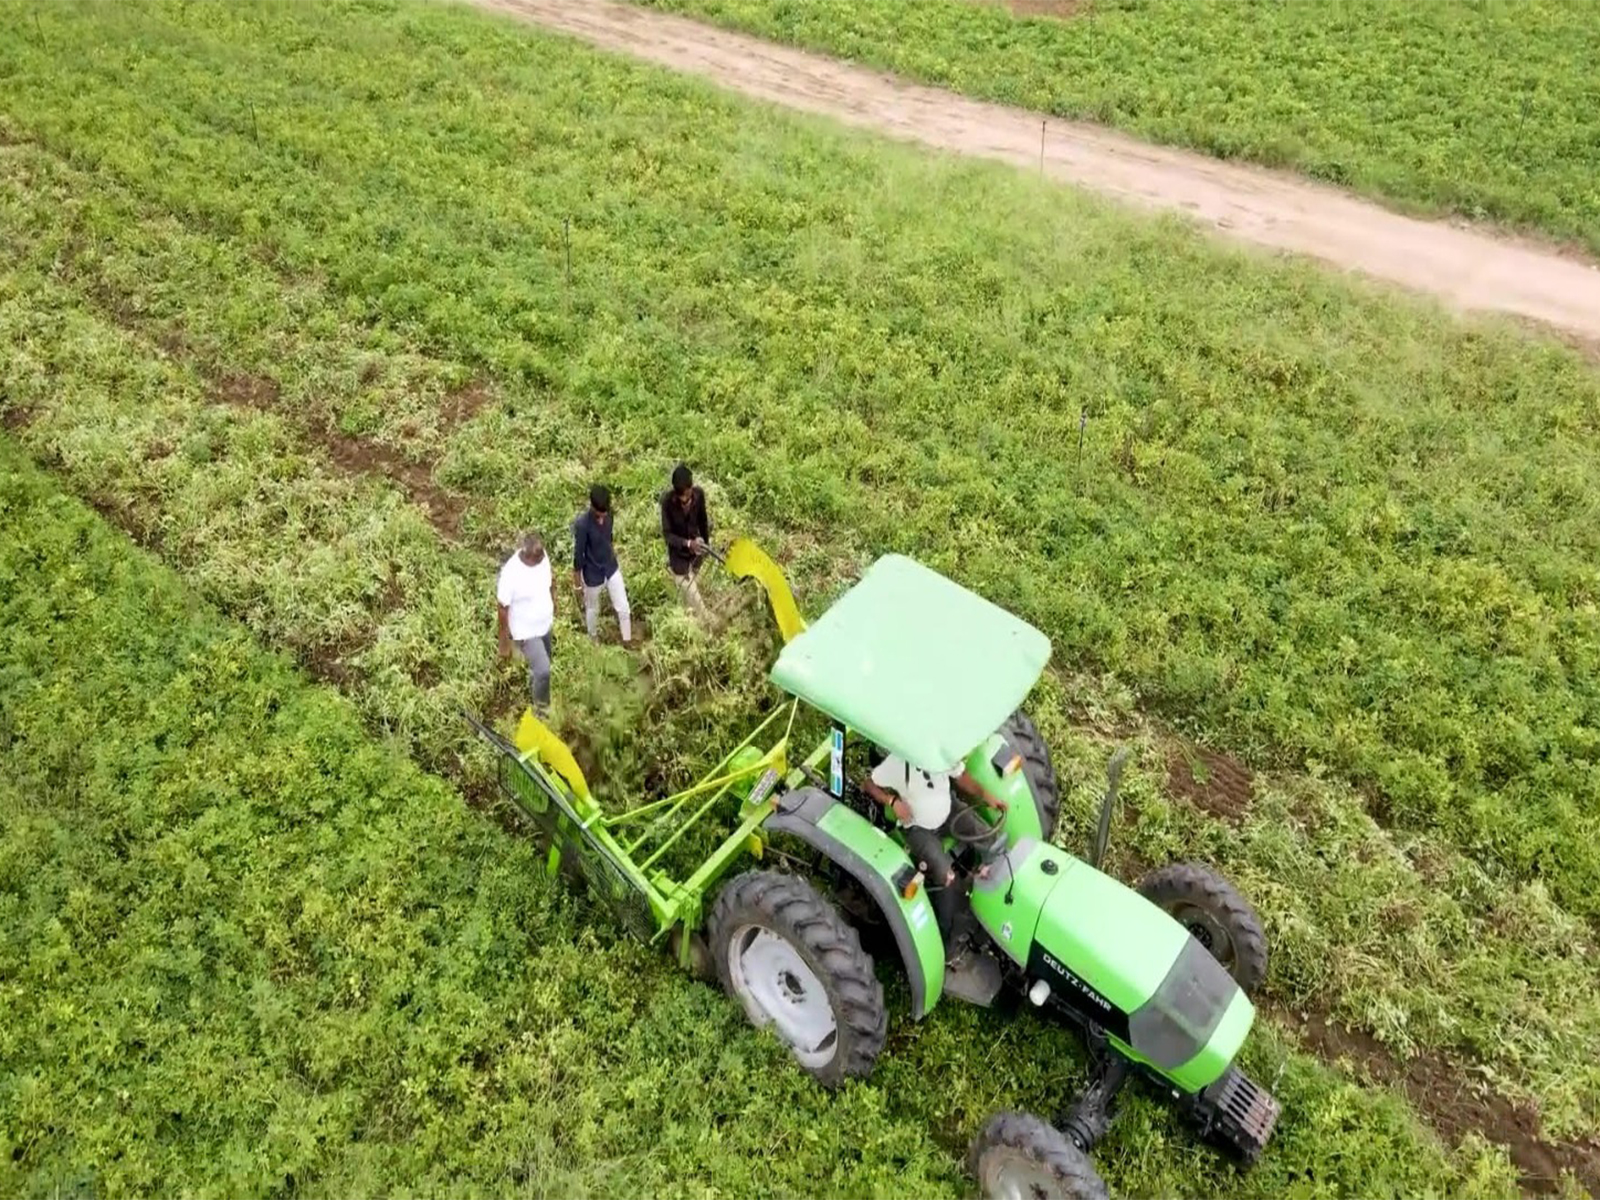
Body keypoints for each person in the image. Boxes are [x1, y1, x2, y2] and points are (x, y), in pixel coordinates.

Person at [861, 751, 1007, 944]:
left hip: (949, 810)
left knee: (987, 835)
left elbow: (961, 776)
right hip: (918, 827)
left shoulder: (938, 750)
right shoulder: (897, 762)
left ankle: (999, 889)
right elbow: (868, 784)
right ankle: (947, 935)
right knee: (945, 875)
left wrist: (985, 795)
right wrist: (892, 801)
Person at [497, 532, 556, 714]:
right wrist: (504, 640)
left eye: (541, 556)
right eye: (537, 558)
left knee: (544, 664)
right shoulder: (511, 573)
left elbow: (551, 582)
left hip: (545, 624)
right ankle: (542, 711)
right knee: (543, 670)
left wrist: (555, 602)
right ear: (526, 556)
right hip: (526, 631)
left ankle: (535, 684)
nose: (541, 559)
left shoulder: (542, 557)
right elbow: (502, 608)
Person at [572, 483, 632, 646]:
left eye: (605, 511)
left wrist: (612, 551)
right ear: (592, 507)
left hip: (611, 567)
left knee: (623, 607)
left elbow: (609, 537)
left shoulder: (609, 514)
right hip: (592, 574)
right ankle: (593, 639)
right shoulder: (583, 525)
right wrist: (578, 584)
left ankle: (627, 639)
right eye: (600, 512)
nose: (603, 515)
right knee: (592, 609)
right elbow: (578, 555)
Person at [660, 463, 711, 615]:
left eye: (688, 497)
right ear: (675, 494)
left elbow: (703, 520)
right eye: (681, 499)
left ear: (691, 488)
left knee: (694, 582)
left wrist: (704, 543)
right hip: (678, 554)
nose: (685, 501)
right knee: (693, 595)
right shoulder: (667, 503)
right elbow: (668, 535)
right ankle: (707, 618)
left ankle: (690, 607)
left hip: (696, 548)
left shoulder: (699, 495)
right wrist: (688, 544)